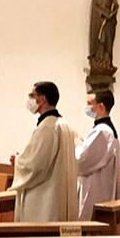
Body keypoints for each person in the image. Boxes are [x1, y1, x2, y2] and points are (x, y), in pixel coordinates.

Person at [11, 81, 78, 222]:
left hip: (45, 199)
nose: (29, 100)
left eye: (32, 95)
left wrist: (17, 161)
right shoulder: (64, 125)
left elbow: (36, 165)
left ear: (42, 99)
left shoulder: (47, 128)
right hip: (59, 195)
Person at [75, 90, 120, 220]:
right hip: (101, 187)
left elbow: (82, 160)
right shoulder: (104, 130)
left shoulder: (102, 131)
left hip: (96, 191)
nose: (87, 107)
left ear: (101, 106)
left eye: (89, 103)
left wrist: (75, 142)